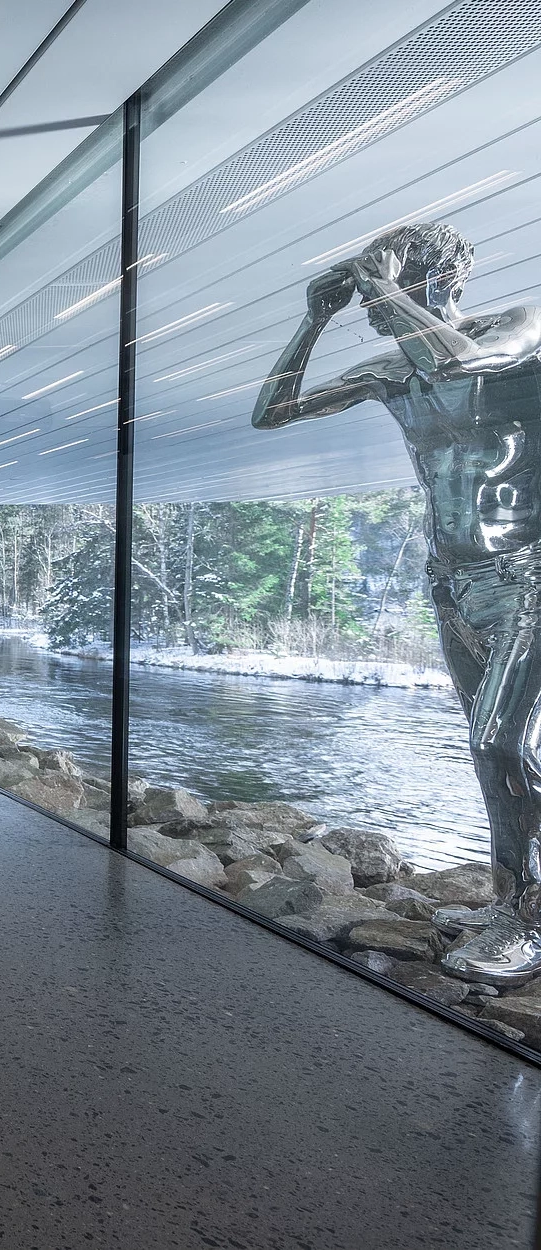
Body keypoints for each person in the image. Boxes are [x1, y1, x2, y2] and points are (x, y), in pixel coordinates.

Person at [254, 221, 541, 984]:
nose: (381, 302)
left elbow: (461, 360)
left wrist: (381, 288)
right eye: (379, 284)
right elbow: (274, 412)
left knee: (501, 745)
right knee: (494, 755)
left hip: (528, 576)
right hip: (451, 580)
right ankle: (513, 900)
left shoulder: (517, 328)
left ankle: (527, 923)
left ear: (448, 278)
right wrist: (314, 320)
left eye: (402, 279)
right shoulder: (393, 371)